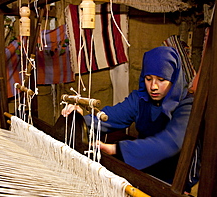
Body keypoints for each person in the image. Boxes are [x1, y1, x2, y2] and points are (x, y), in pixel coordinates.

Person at [62, 46, 198, 189]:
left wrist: (117, 149)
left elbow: (170, 143)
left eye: (161, 80)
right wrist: (77, 120)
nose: (153, 87)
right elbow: (108, 117)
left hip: (176, 177)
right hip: (146, 168)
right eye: (148, 78)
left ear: (174, 79)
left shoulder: (187, 106)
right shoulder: (140, 99)